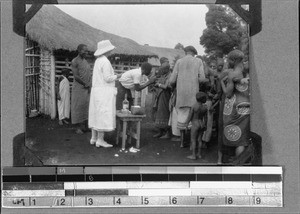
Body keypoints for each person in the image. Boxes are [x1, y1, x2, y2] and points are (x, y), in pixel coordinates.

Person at [168, 45, 208, 145]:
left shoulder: (179, 62)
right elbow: (202, 79)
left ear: (185, 52)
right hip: (193, 95)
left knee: (181, 116)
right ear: (194, 53)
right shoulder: (198, 61)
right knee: (193, 117)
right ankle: (192, 141)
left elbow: (171, 81)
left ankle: (182, 142)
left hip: (181, 95)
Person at [88, 40, 121, 148]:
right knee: (102, 113)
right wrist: (117, 76)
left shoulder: (98, 60)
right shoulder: (105, 61)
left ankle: (94, 138)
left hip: (97, 91)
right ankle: (100, 140)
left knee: (96, 113)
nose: (111, 51)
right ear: (107, 50)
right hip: (103, 92)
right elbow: (107, 78)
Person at [220, 49, 250, 161]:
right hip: (247, 105)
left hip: (235, 108)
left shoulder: (233, 73)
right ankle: (240, 161)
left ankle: (239, 163)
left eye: (229, 59)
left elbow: (228, 94)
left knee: (239, 141)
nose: (228, 62)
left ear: (234, 60)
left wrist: (222, 83)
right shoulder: (248, 69)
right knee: (244, 136)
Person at [71, 44, 92, 134]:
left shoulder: (85, 61)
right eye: (84, 51)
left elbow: (88, 74)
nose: (86, 52)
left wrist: (89, 85)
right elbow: (76, 76)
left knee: (85, 107)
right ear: (79, 50)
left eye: (87, 51)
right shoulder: (75, 61)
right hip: (79, 87)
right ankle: (78, 128)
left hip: (86, 88)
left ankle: (84, 127)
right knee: (78, 107)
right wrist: (85, 83)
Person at [185, 92, 208, 160]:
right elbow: (206, 118)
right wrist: (205, 125)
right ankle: (199, 154)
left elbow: (190, 116)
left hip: (195, 124)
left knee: (193, 140)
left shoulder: (194, 106)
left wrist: (186, 124)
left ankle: (193, 155)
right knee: (199, 140)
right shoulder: (205, 107)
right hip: (201, 123)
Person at [152, 57, 172, 138]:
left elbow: (167, 86)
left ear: (167, 69)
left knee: (165, 113)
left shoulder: (170, 75)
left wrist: (158, 85)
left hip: (166, 96)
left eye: (163, 70)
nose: (162, 71)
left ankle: (167, 132)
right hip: (160, 96)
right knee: (159, 112)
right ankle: (160, 131)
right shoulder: (164, 75)